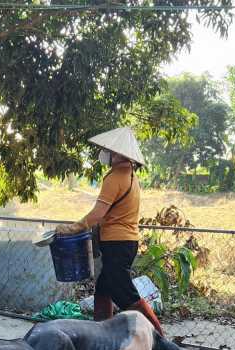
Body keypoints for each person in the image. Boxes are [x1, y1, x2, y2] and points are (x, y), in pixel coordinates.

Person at [54, 127, 163, 335]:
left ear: (119, 153)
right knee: (104, 288)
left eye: (110, 150)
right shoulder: (130, 175)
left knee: (125, 294)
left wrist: (72, 228)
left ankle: (158, 337)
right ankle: (101, 333)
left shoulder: (114, 178)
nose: (106, 153)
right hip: (126, 242)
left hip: (117, 243)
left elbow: (98, 214)